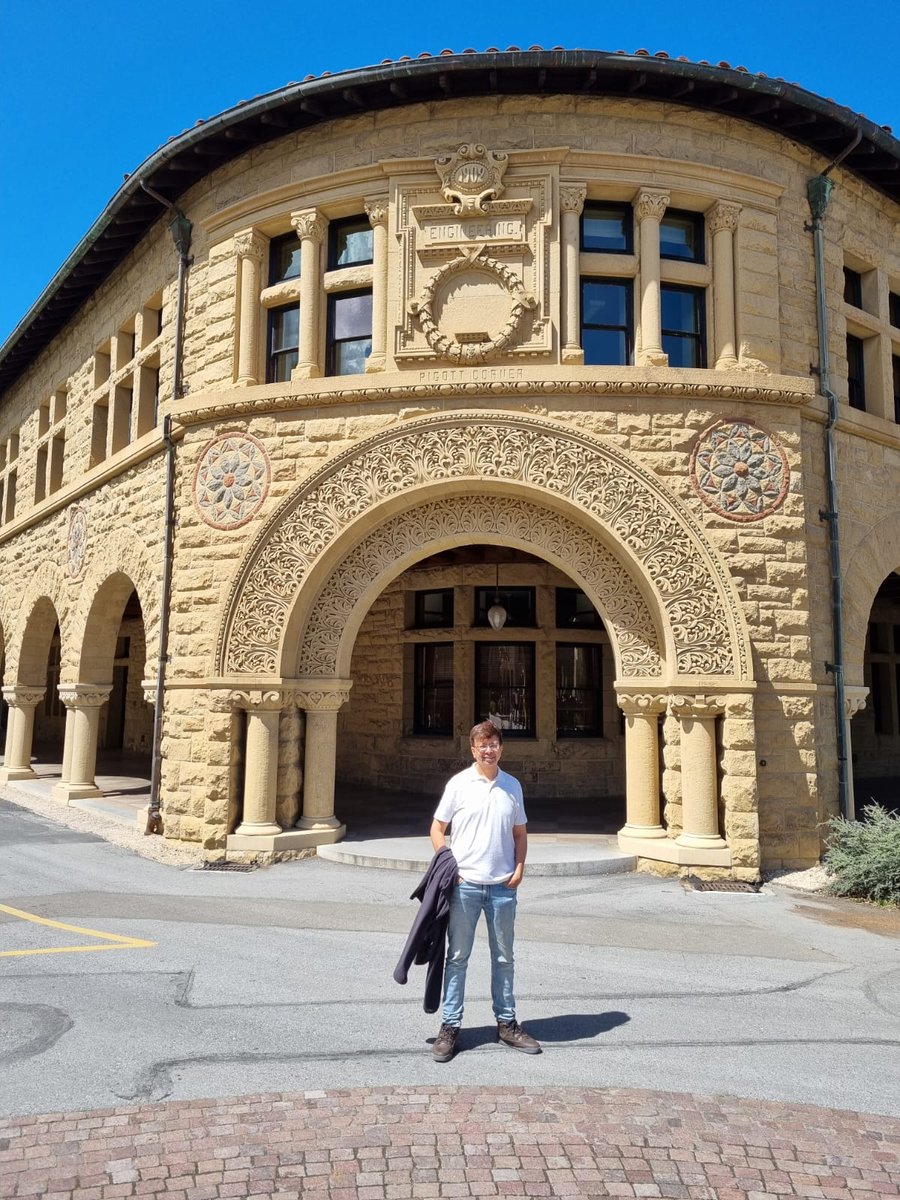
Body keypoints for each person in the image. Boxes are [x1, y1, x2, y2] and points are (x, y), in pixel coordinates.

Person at [429, 719, 541, 1062]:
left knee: (504, 958)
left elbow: (520, 833)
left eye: (494, 744)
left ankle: (506, 1023)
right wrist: (450, 865)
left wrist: (520, 867)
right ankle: (450, 1027)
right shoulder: (459, 784)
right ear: (473, 750)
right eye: (483, 745)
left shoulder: (512, 786)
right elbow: (437, 828)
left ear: (500, 748)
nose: (489, 750)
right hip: (466, 886)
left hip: (503, 886)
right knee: (458, 958)